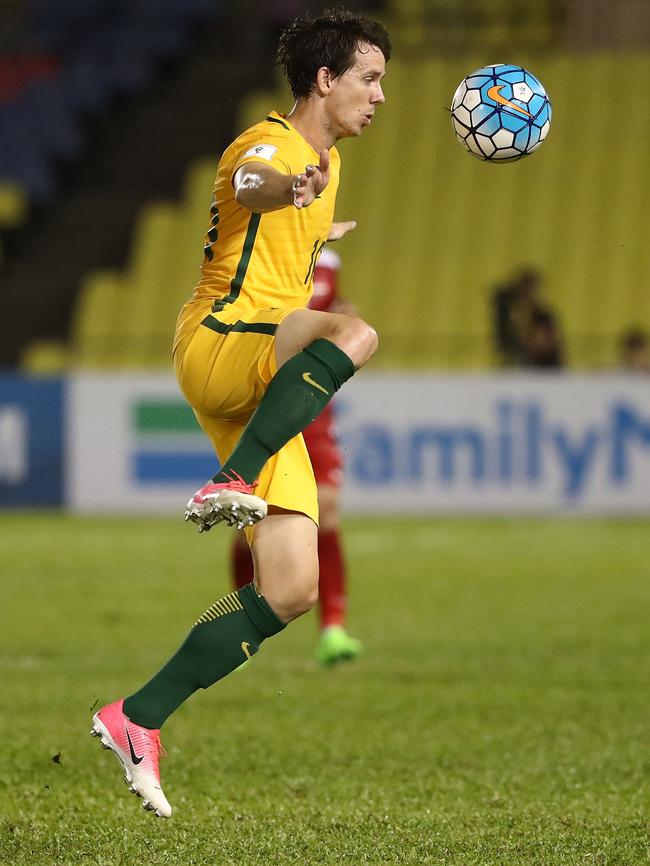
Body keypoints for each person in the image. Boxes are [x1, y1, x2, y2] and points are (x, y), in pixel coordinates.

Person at [91, 8, 390, 818]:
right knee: (355, 332)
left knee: (291, 588)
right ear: (323, 80)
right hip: (225, 341)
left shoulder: (326, 166)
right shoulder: (271, 145)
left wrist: (321, 214)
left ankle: (136, 717)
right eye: (368, 77)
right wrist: (287, 189)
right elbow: (253, 180)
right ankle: (236, 472)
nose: (380, 95)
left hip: (261, 378)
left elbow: (292, 223)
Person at [230, 247, 362, 666]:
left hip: (313, 403)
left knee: (328, 507)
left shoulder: (328, 262)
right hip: (261, 401)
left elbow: (333, 317)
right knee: (248, 518)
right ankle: (243, 626)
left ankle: (333, 629)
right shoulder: (257, 255)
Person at [491, 266, 563, 368]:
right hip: (523, 368)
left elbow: (545, 344)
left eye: (532, 290)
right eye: (525, 291)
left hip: (546, 369)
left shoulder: (543, 315)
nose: (529, 295)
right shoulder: (513, 317)